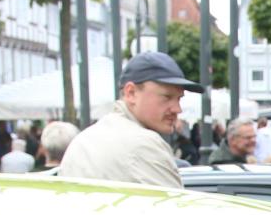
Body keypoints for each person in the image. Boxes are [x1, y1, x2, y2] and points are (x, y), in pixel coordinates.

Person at [58, 51, 199, 187]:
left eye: (179, 99)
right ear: (131, 93)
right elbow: (175, 208)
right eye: (167, 97)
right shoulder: (144, 144)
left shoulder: (83, 139)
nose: (177, 109)